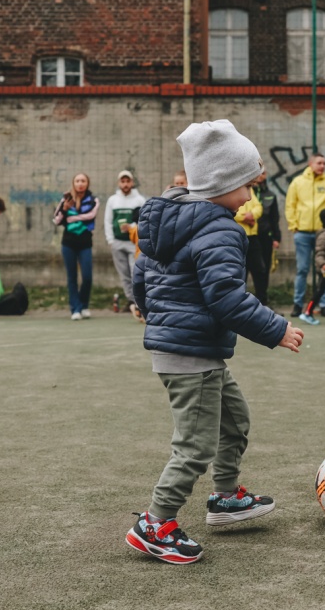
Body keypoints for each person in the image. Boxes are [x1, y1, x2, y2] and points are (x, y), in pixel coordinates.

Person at [127, 119, 304, 565]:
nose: (249, 197)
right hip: (191, 355)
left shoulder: (171, 220)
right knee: (194, 446)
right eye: (246, 186)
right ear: (222, 183)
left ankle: (225, 496)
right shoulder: (221, 230)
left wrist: (153, 312)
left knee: (234, 419)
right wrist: (277, 330)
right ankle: (155, 523)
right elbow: (227, 298)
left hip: (186, 347)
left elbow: (141, 274)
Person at [284, 153, 325, 316]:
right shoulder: (297, 182)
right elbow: (290, 205)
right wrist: (294, 226)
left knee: (324, 270)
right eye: (319, 163)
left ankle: (324, 305)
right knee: (302, 270)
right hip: (302, 233)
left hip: (323, 234)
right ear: (310, 164)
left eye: (324, 163)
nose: (322, 166)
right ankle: (298, 304)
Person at [53, 173, 100, 320]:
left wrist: (72, 217)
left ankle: (84, 305)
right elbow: (56, 220)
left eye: (83, 181)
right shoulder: (65, 200)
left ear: (87, 183)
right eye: (77, 181)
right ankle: (76, 308)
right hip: (68, 243)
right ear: (73, 183)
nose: (80, 183)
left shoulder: (93, 200)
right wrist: (65, 209)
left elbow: (90, 215)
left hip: (85, 243)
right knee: (71, 277)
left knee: (87, 277)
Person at [104, 170, 146, 311]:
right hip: (117, 242)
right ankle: (130, 301)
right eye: (123, 181)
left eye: (128, 181)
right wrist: (110, 240)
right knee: (124, 274)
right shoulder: (112, 200)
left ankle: (139, 302)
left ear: (132, 183)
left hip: (134, 243)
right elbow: (108, 221)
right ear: (119, 183)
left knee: (135, 272)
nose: (125, 184)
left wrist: (131, 227)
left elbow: (143, 220)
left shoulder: (139, 200)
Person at [249, 170, 281, 307]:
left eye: (263, 173)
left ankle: (262, 301)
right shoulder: (247, 192)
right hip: (250, 236)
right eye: (258, 173)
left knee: (263, 270)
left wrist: (276, 237)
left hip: (265, 237)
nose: (260, 176)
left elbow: (274, 219)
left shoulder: (270, 195)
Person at [234, 173, 266, 302]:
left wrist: (252, 215)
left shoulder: (249, 189)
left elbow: (259, 207)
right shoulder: (232, 189)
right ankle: (240, 302)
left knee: (260, 270)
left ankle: (262, 301)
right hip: (238, 236)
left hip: (252, 237)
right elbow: (231, 209)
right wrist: (244, 218)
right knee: (242, 272)